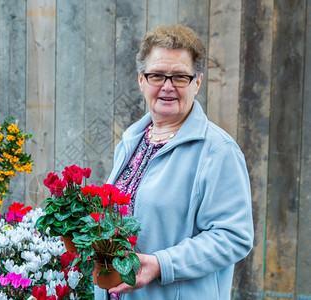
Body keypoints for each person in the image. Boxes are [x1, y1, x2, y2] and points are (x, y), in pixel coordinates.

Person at [94, 24, 254, 300]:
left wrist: (160, 264)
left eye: (180, 77)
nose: (167, 87)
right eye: (157, 75)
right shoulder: (133, 139)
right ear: (142, 81)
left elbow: (233, 237)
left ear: (197, 82)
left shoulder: (217, 151)